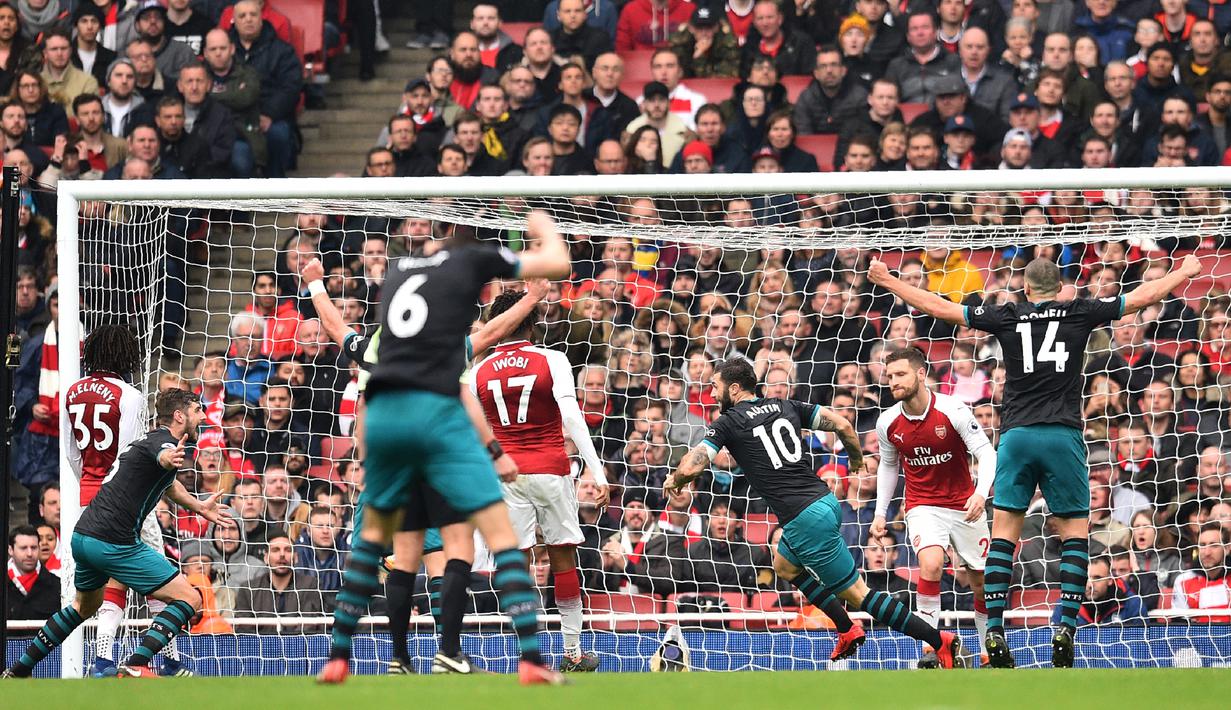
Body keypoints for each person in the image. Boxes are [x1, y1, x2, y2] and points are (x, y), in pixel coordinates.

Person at [868, 253, 1203, 668]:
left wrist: (888, 282)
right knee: (1076, 537)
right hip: (1062, 435)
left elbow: (943, 307)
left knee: (1005, 535)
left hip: (1018, 437)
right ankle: (1064, 625)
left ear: (1026, 289)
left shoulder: (1009, 314)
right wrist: (1184, 272)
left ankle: (992, 631)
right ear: (1061, 287)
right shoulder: (1079, 311)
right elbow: (1137, 298)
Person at [317, 211, 573, 686]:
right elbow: (556, 261)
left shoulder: (397, 272)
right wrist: (541, 223)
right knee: (497, 533)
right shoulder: (468, 265)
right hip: (435, 417)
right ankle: (533, 661)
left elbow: (348, 343)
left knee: (376, 541)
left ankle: (338, 657)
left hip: (384, 416)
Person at [665, 358, 967, 668]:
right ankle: (847, 628)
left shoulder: (729, 422)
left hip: (804, 518)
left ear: (734, 388)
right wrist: (855, 459)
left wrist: (675, 479)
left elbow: (697, 461)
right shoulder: (784, 405)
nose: (713, 394)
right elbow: (843, 425)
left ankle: (938, 640)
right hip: (824, 503)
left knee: (859, 595)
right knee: (783, 565)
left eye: (715, 387)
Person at [4, 389, 234, 679]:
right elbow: (163, 458)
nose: (202, 416)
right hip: (114, 541)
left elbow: (168, 482)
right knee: (190, 598)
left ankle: (19, 670)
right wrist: (168, 457)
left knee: (83, 607)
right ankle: (137, 663)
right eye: (198, 410)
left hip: (84, 536)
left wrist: (199, 506)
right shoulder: (163, 443)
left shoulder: (148, 441)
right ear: (179, 415)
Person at [472, 288, 611, 672]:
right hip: (552, 468)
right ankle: (573, 652)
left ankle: (528, 656)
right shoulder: (552, 358)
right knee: (563, 555)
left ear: (496, 328)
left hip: (507, 474)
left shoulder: (479, 371)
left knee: (516, 562)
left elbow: (472, 429)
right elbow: (571, 416)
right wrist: (597, 470)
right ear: (533, 325)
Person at [62, 325, 189, 677]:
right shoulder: (130, 396)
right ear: (125, 355)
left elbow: (71, 453)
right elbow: (132, 457)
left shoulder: (71, 392)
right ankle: (170, 660)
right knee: (160, 578)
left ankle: (102, 661)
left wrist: (90, 486)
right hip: (125, 501)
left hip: (88, 500)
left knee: (106, 584)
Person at [872, 347, 995, 666]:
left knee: (980, 579)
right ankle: (932, 648)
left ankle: (986, 649)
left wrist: (981, 493)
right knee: (930, 565)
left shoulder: (952, 409)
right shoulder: (887, 422)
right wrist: (879, 513)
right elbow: (888, 466)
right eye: (889, 376)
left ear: (921, 374)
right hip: (922, 505)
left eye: (900, 374)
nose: (893, 381)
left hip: (965, 504)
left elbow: (986, 453)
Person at [6, 525, 59, 620]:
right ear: (10, 550)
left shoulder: (57, 586)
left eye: (34, 548)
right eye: (23, 548)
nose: (29, 554)